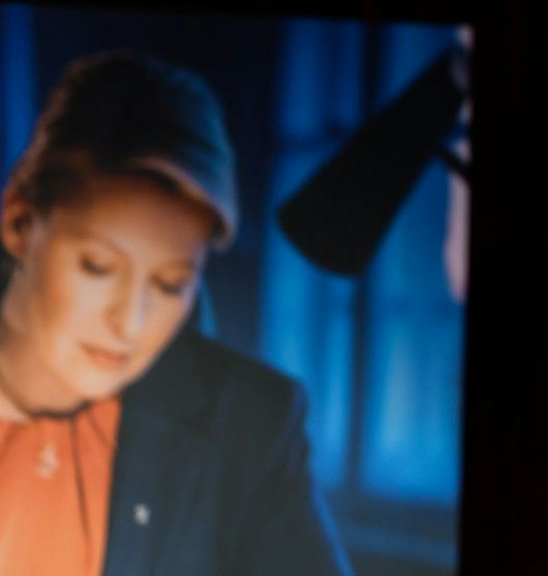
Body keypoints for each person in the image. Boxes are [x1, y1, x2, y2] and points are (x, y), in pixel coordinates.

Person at [0, 50, 351, 576]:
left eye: (170, 285)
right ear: (21, 222)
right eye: (98, 267)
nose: (130, 323)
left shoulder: (248, 427)